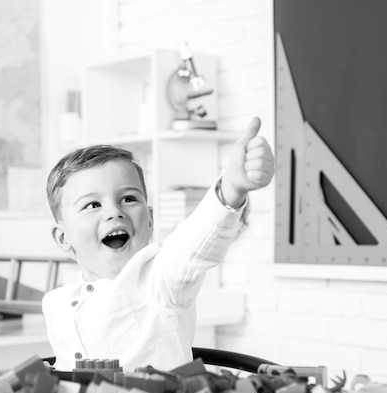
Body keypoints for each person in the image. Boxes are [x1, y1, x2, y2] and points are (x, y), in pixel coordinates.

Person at [43, 116, 275, 372]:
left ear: (150, 220)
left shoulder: (161, 279)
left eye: (128, 199)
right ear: (63, 238)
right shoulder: (55, 303)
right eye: (93, 205)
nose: (114, 212)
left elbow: (193, 244)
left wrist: (231, 188)